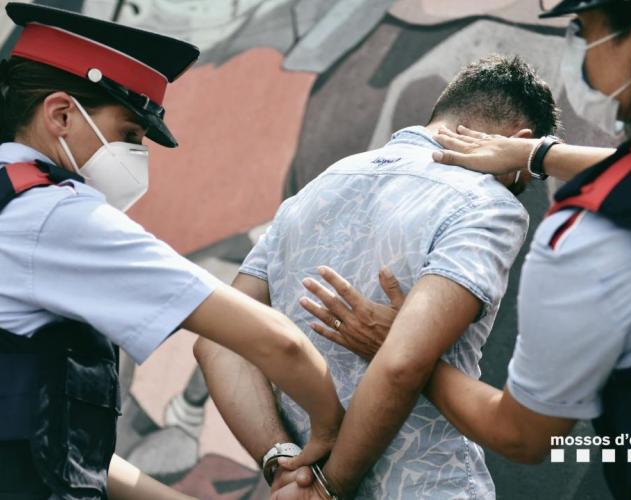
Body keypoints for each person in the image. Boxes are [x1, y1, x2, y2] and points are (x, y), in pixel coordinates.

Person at [0, 3, 344, 499]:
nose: (137, 158)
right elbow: (277, 342)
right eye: (128, 135)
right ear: (61, 115)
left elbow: (50, 443)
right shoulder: (55, 218)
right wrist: (328, 434)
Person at [304, 1, 631, 499]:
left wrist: (399, 346)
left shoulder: (587, 238)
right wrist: (535, 153)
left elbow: (524, 436)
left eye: (582, 28)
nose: (578, 47)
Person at [194, 55, 560, 499]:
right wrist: (328, 489)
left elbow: (218, 342)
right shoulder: (486, 203)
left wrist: (283, 463)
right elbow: (402, 362)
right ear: (521, 143)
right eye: (521, 181)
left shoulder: (316, 188)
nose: (514, 189)